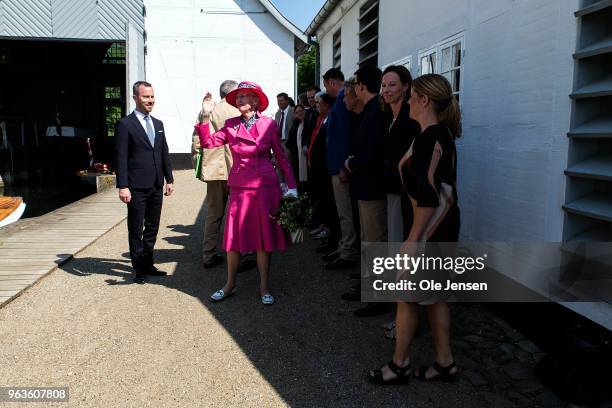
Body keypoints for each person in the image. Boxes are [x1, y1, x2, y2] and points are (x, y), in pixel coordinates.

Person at [368, 74, 461, 385]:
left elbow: (429, 196)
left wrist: (411, 241)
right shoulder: (440, 133)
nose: (407, 100)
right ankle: (445, 364)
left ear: (424, 101)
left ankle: (399, 365)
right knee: (436, 298)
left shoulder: (429, 138)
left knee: (406, 296)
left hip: (428, 231)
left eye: (412, 96)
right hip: (441, 229)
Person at [194, 81, 297, 305]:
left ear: (256, 101)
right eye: (237, 97)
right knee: (233, 239)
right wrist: (204, 116)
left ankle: (264, 287)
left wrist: (292, 187)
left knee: (262, 239)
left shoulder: (269, 124)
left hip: (264, 188)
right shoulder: (231, 124)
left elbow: (281, 158)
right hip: (240, 188)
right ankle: (229, 284)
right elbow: (209, 143)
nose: (239, 100)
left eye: (244, 96)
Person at [115, 81, 174, 284]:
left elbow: (163, 152)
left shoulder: (158, 124)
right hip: (136, 186)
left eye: (152, 96)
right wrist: (122, 185)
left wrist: (169, 179)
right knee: (136, 228)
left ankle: (148, 263)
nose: (150, 100)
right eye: (145, 97)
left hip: (157, 184)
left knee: (152, 227)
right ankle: (138, 269)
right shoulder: (125, 124)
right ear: (135, 98)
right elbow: (121, 157)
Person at [344, 66, 390, 317]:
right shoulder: (371, 111)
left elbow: (375, 153)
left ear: (362, 86)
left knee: (375, 242)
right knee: (368, 240)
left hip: (372, 186)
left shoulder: (376, 112)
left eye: (356, 86)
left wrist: (352, 162)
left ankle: (379, 298)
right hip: (365, 186)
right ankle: (369, 288)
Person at [192, 80, 239, 268]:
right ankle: (240, 254)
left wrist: (198, 164)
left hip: (213, 170)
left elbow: (197, 140)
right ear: (231, 94)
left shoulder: (207, 111)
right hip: (236, 169)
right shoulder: (237, 111)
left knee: (214, 214)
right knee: (237, 214)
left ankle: (208, 254)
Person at [323, 68, 360, 270]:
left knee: (346, 212)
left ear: (333, 82)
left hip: (341, 168)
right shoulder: (340, 101)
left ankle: (348, 252)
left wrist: (344, 167)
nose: (326, 89)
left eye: (327, 85)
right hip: (336, 166)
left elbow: (346, 136)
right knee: (342, 212)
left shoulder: (343, 99)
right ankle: (343, 247)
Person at [380, 66, 420, 242]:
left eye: (392, 85)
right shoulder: (388, 117)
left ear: (405, 87)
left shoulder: (411, 119)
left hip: (404, 192)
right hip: (390, 188)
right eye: (383, 85)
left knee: (399, 240)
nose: (386, 90)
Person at [307, 93, 338, 247]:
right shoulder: (321, 120)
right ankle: (324, 226)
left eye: (319, 103)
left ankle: (328, 230)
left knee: (328, 201)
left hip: (326, 169)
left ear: (327, 105)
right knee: (322, 199)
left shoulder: (329, 120)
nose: (316, 105)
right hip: (318, 169)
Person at [286, 104, 307, 189]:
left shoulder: (309, 121)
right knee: (297, 174)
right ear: (294, 114)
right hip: (296, 154)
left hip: (306, 154)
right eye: (297, 112)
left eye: (301, 111)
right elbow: (290, 141)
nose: (299, 113)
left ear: (304, 111)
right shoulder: (295, 124)